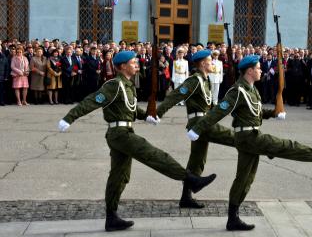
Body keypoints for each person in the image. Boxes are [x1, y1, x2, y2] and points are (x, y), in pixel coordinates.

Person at [57, 51, 216, 232]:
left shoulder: (127, 85)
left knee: (119, 177)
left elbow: (130, 110)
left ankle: (111, 217)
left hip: (124, 131)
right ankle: (191, 179)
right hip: (119, 134)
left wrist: (147, 116)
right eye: (133, 62)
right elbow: (92, 101)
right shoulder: (114, 85)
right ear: (123, 66)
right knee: (154, 155)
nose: (136, 65)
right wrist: (69, 118)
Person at [187, 55, 312, 231]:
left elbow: (255, 112)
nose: (261, 70)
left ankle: (232, 219)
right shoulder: (237, 91)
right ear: (249, 71)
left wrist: (273, 113)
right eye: (258, 68)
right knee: (286, 146)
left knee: (244, 179)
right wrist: (198, 129)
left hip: (250, 137)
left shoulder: (252, 89)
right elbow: (217, 112)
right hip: (248, 138)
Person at [149, 50, 235, 209]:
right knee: (235, 137)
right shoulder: (195, 80)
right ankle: (261, 145)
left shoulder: (204, 79)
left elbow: (209, 104)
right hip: (200, 123)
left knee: (197, 161)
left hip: (203, 121)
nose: (212, 63)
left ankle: (185, 198)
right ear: (202, 63)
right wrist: (158, 113)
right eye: (210, 61)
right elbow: (175, 95)